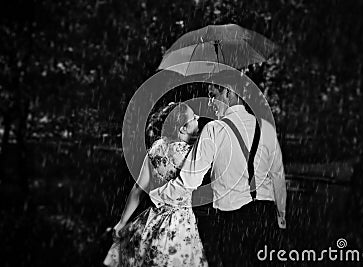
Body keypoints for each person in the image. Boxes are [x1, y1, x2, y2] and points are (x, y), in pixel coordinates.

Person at [150, 80, 287, 267]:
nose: (209, 102)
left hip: (232, 221)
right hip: (265, 215)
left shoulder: (214, 129)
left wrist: (155, 195)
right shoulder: (266, 129)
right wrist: (281, 214)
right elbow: (278, 175)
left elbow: (189, 181)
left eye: (213, 95)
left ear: (229, 93)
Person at [103, 102, 208, 267]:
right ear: (183, 129)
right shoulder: (192, 154)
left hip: (152, 218)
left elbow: (138, 188)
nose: (198, 118)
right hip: (180, 224)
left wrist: (122, 222)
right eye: (194, 118)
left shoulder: (156, 149)